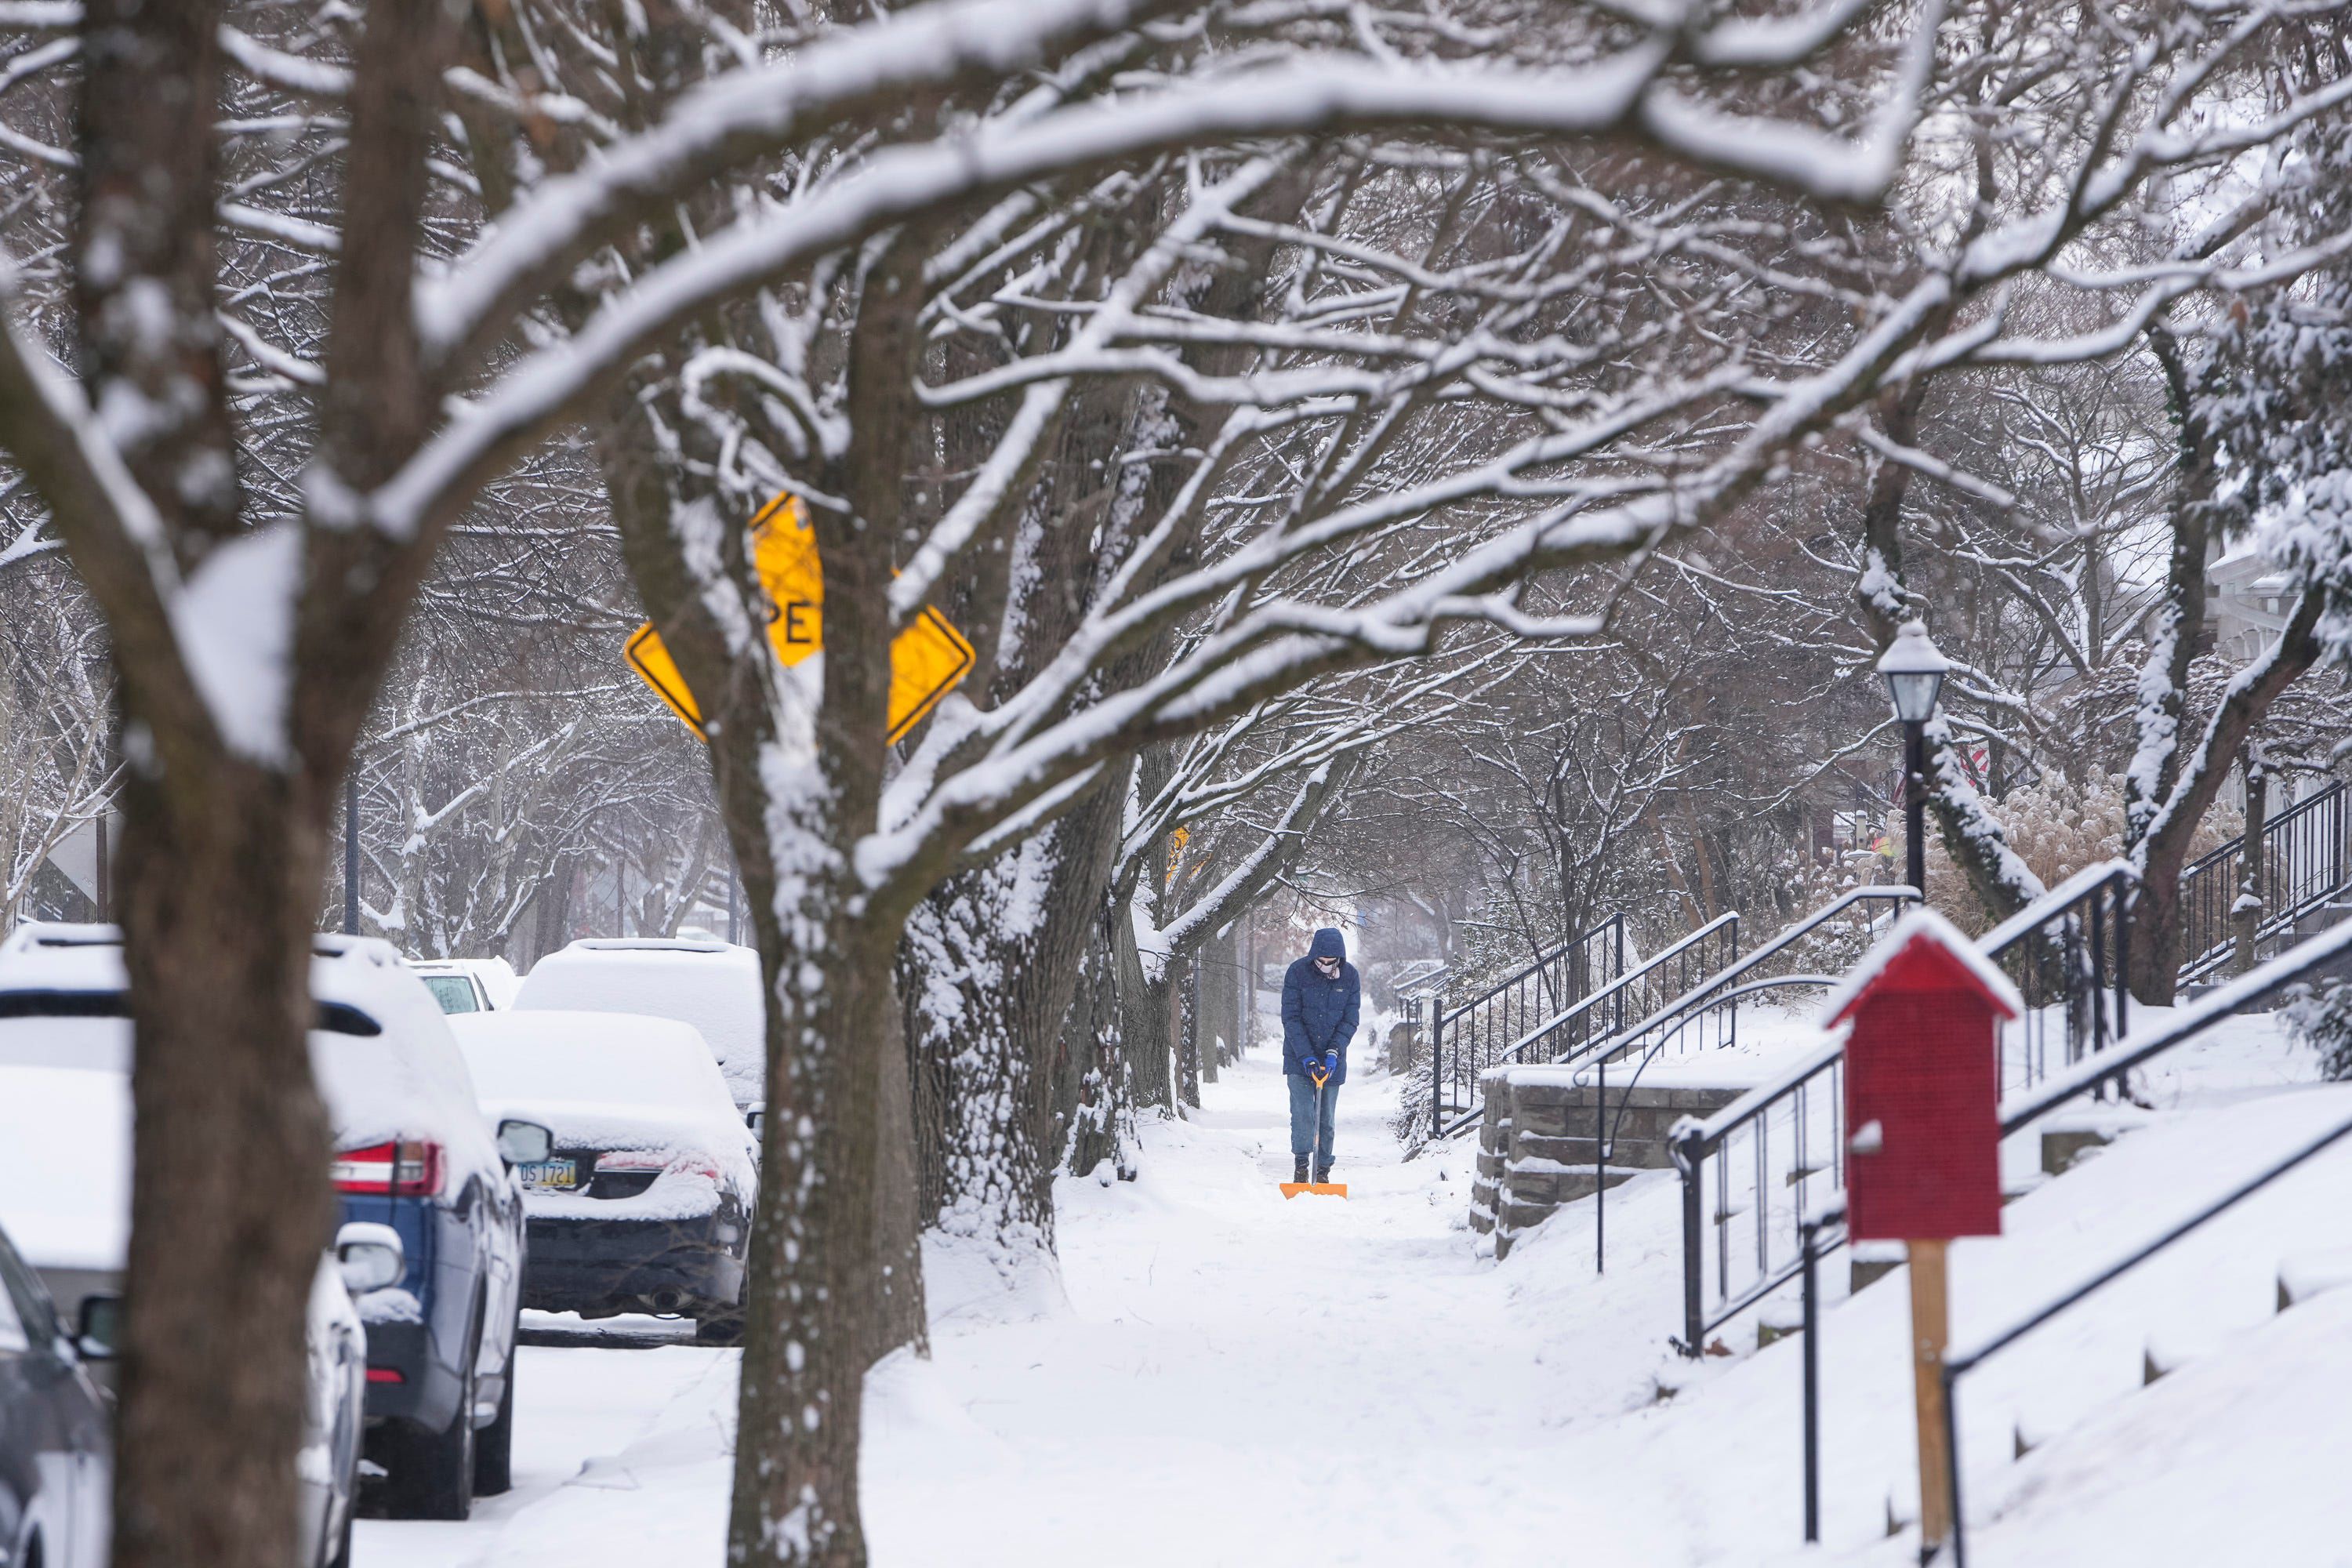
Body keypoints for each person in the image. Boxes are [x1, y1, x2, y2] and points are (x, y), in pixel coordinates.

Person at [1281, 927, 1359, 1184]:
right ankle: (1302, 1166)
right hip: (1298, 1057)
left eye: (1330, 962)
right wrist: (1307, 1057)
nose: (1325, 965)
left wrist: (1333, 1053)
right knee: (1303, 1113)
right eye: (1321, 961)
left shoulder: (1350, 977)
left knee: (1326, 1119)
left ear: (1339, 958)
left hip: (1332, 1061)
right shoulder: (1297, 972)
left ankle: (1323, 1170)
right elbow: (1291, 1018)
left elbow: (1350, 1020)